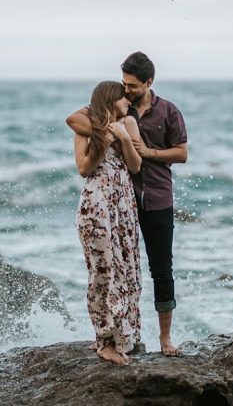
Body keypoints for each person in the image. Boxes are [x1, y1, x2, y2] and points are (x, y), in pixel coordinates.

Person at [67, 52, 188, 356]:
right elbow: (74, 119)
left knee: (161, 268)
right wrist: (108, 131)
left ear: (149, 82)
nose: (128, 91)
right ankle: (114, 336)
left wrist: (148, 152)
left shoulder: (168, 111)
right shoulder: (117, 106)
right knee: (118, 269)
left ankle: (164, 338)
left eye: (133, 86)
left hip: (158, 196)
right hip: (123, 204)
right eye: (124, 84)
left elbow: (182, 153)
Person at [73, 80, 144, 365]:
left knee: (128, 270)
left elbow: (136, 166)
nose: (128, 101)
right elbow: (83, 168)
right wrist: (104, 140)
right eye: (122, 97)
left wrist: (125, 139)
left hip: (123, 206)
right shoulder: (86, 129)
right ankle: (104, 341)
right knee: (103, 272)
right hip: (97, 205)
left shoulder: (128, 123)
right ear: (109, 100)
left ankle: (125, 336)